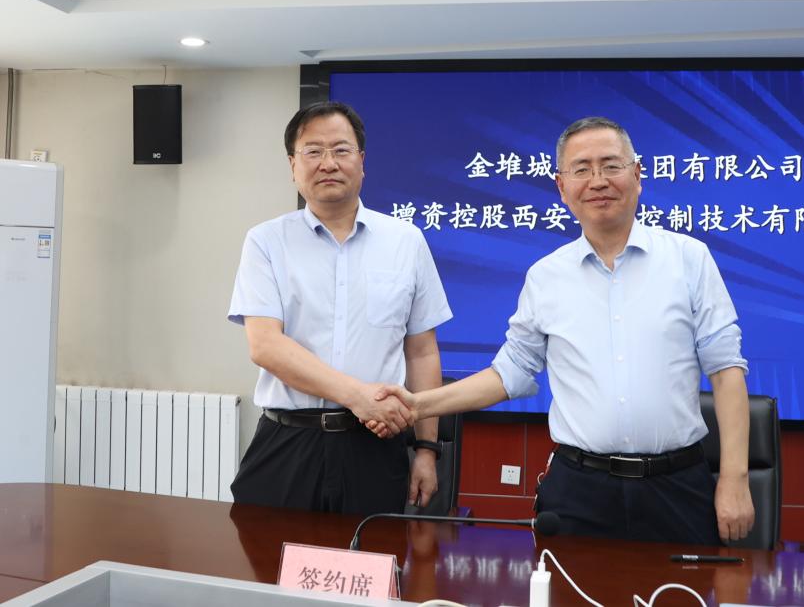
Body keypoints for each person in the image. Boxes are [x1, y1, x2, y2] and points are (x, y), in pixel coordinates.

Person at [373, 117, 754, 544]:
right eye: (582, 169)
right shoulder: (546, 277)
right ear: (561, 186)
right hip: (580, 492)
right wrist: (417, 405)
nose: (598, 181)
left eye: (611, 165)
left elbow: (726, 371)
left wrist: (735, 478)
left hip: (677, 487)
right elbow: (509, 374)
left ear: (637, 175)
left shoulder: (689, 260)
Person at [227, 101, 452, 514]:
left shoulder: (406, 242)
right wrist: (357, 396)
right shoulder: (265, 242)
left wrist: (426, 449)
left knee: (370, 554)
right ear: (293, 165)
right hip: (288, 442)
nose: (327, 163)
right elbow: (266, 346)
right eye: (313, 151)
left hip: (375, 448)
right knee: (265, 555)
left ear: (362, 161)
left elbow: (421, 352)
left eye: (341, 150)